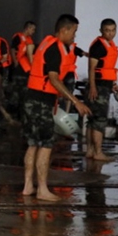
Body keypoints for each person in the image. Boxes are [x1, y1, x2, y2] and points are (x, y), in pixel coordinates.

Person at [22, 14, 91, 201]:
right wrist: (76, 101)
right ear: (65, 30)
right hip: (41, 100)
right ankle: (42, 189)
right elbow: (53, 78)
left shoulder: (47, 43)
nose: (74, 36)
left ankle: (28, 186)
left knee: (33, 143)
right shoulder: (54, 48)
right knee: (45, 144)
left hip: (32, 98)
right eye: (74, 32)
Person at [86, 19, 118, 162]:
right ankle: (97, 152)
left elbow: (107, 67)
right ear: (101, 30)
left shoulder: (110, 45)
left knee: (93, 119)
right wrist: (93, 87)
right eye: (107, 30)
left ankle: (90, 151)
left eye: (113, 30)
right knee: (99, 119)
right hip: (98, 87)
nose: (110, 33)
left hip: (105, 85)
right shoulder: (99, 46)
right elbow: (92, 68)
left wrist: (112, 84)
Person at [8, 21, 37, 120]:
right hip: (18, 68)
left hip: (26, 69)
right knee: (15, 93)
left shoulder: (30, 40)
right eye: (32, 29)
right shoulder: (18, 37)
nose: (33, 32)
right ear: (27, 28)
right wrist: (15, 61)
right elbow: (12, 50)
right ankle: (13, 115)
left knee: (24, 94)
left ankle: (21, 116)